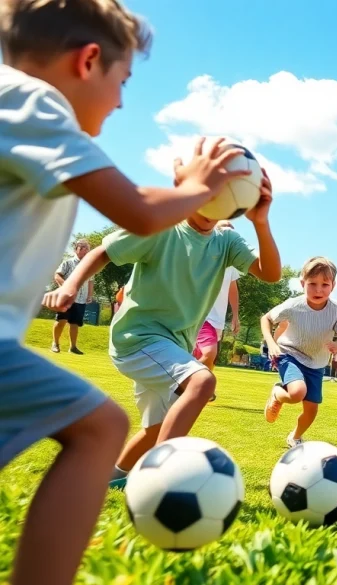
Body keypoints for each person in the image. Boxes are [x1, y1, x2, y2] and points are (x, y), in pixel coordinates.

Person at [6, 1, 252, 583]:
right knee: (99, 427)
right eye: (123, 81)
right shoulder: (38, 104)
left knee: (101, 426)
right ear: (89, 60)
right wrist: (198, 188)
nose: (120, 101)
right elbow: (138, 212)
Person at [54, 157, 281, 491]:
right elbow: (103, 251)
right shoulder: (160, 229)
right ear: (186, 192)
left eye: (221, 201)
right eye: (204, 196)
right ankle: (159, 479)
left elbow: (271, 273)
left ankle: (109, 478)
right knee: (202, 383)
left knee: (154, 429)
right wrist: (70, 285)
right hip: (137, 339)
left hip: (171, 347)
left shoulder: (226, 243)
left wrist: (261, 222)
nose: (211, 208)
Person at [262, 257, 337, 447]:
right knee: (297, 393)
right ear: (303, 283)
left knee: (311, 411)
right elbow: (266, 319)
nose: (318, 290)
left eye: (324, 284)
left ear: (333, 286)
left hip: (316, 363)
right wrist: (271, 343)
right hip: (289, 354)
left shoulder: (336, 310)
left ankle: (295, 436)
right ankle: (278, 394)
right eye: (312, 284)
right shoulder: (294, 305)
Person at [192, 220, 242, 371]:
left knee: (206, 360)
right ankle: (184, 383)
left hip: (216, 321)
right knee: (209, 353)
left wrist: (235, 315)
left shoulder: (230, 263)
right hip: (199, 316)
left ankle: (196, 389)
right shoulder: (199, 254)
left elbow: (232, 289)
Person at [51, 239, 94, 354]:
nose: (85, 250)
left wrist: (90, 295)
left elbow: (91, 281)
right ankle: (55, 344)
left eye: (87, 248)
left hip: (81, 299)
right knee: (62, 320)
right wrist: (66, 286)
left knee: (75, 323)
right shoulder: (68, 263)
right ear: (76, 249)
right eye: (82, 248)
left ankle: (73, 347)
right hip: (66, 297)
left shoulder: (90, 265)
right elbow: (57, 275)